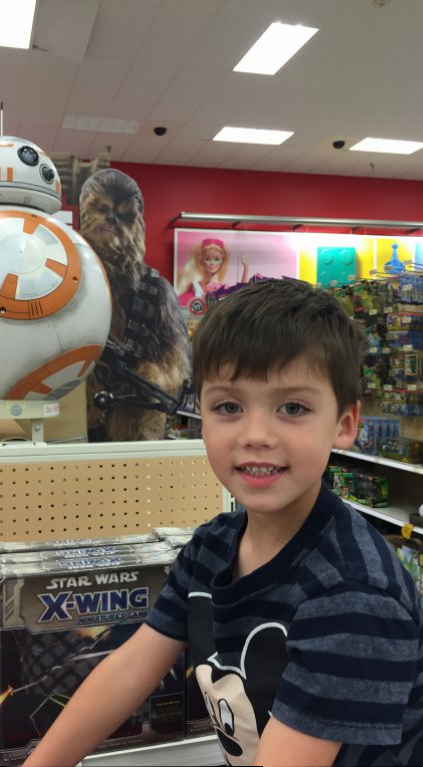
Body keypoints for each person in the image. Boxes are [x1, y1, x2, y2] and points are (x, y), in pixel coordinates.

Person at [23, 279, 423, 767]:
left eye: (292, 408)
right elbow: (128, 669)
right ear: (201, 416)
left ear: (344, 424)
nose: (256, 435)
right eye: (229, 407)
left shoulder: (353, 595)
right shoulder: (211, 547)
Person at [177, 237, 248, 307]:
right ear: (201, 260)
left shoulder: (223, 287)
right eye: (207, 259)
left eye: (216, 259)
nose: (212, 263)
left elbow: (242, 291)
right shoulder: (195, 287)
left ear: (222, 261)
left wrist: (246, 268)